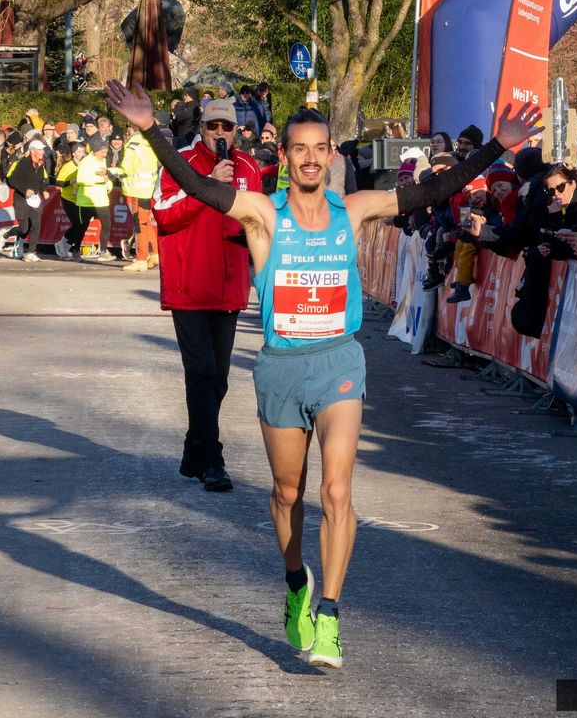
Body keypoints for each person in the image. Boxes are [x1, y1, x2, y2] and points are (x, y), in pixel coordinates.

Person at [106, 79, 541, 669]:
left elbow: (433, 190)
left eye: (320, 149)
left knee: (338, 491)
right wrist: (150, 129)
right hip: (283, 367)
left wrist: (495, 146)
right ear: (283, 156)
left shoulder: (354, 209)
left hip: (339, 361)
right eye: (299, 149)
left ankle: (331, 616)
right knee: (288, 494)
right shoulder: (261, 213)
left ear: (332, 154)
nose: (311, 159)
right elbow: (198, 188)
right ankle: (296, 584)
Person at [151, 98, 262, 493]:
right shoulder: (180, 161)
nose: (220, 134)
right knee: (200, 374)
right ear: (201, 128)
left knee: (218, 379)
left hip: (230, 287)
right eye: (213, 126)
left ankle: (192, 450)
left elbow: (258, 223)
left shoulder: (249, 168)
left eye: (227, 128)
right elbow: (163, 215)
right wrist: (209, 184)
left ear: (237, 131)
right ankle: (212, 459)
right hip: (190, 284)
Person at [119, 126, 160, 272]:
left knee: (140, 225)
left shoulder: (134, 143)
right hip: (149, 189)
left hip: (137, 190)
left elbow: (125, 167)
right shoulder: (151, 142)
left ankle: (141, 258)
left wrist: (111, 171)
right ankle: (154, 253)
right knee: (146, 223)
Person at [6, 139, 50, 263]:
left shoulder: (41, 164)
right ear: (32, 151)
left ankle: (31, 252)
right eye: (40, 149)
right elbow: (12, 180)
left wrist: (44, 190)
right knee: (24, 229)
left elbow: (41, 181)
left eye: (42, 149)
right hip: (21, 199)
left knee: (36, 226)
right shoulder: (23, 163)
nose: (42, 152)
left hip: (35, 200)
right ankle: (9, 233)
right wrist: (25, 190)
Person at [75, 141, 114, 262]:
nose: (104, 155)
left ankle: (102, 252)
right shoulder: (86, 161)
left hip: (101, 200)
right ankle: (76, 251)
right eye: (102, 152)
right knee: (82, 227)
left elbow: (105, 178)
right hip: (86, 200)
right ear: (95, 150)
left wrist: (109, 184)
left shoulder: (102, 160)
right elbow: (80, 179)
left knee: (107, 225)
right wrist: (100, 180)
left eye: (106, 152)